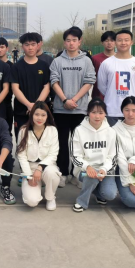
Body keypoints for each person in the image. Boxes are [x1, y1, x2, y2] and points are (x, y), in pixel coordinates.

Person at [50, 26, 96, 187]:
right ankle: (63, 173)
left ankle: (76, 174)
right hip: (60, 109)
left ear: (79, 42)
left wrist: (74, 99)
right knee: (62, 143)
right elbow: (54, 81)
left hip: (80, 109)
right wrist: (64, 100)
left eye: (74, 40)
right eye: (68, 40)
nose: (71, 43)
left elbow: (89, 81)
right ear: (64, 42)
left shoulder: (86, 61)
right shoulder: (57, 61)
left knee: (79, 144)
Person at [70, 99, 118, 213]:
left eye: (101, 113)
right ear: (88, 113)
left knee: (110, 194)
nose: (97, 116)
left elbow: (113, 157)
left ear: (105, 114)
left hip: (105, 171)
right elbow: (75, 156)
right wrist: (87, 167)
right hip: (84, 171)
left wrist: (104, 169)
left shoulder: (111, 132)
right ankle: (81, 201)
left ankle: (97, 192)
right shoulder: (79, 130)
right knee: (91, 176)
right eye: (93, 112)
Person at [17, 102, 61, 211]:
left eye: (43, 115)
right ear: (31, 114)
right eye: (36, 114)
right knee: (32, 201)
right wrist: (28, 176)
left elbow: (53, 155)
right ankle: (35, 188)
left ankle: (50, 197)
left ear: (47, 116)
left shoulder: (52, 130)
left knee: (52, 173)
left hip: (47, 167)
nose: (39, 118)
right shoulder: (23, 130)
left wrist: (40, 167)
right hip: (30, 168)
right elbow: (21, 156)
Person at [97, 30, 135, 126]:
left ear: (131, 42)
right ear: (115, 42)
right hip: (112, 111)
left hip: (131, 111)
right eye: (120, 40)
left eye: (126, 40)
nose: (123, 43)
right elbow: (102, 86)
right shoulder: (106, 63)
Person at [12, 32, 51, 140]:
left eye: (33, 44)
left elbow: (47, 87)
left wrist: (36, 106)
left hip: (41, 111)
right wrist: (29, 105)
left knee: (42, 141)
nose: (30, 48)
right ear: (22, 46)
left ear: (38, 45)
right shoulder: (16, 67)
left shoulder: (44, 66)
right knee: (22, 140)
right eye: (27, 45)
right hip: (21, 111)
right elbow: (15, 88)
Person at [91, 31, 116, 100]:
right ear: (102, 43)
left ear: (116, 42)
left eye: (112, 40)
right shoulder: (95, 58)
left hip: (115, 95)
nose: (109, 43)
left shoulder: (120, 59)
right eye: (106, 41)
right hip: (98, 95)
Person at [0, 37, 15, 135]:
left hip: (6, 104)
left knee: (6, 133)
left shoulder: (12, 67)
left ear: (7, 49)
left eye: (2, 47)